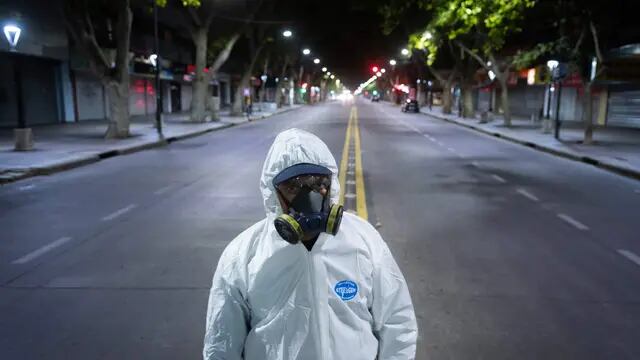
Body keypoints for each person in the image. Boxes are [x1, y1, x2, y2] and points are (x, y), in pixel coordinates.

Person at [203, 128, 417, 360]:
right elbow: (222, 342)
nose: (309, 197)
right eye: (293, 187)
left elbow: (397, 322)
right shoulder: (243, 254)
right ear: (274, 193)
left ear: (330, 186)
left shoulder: (364, 240)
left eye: (317, 184)